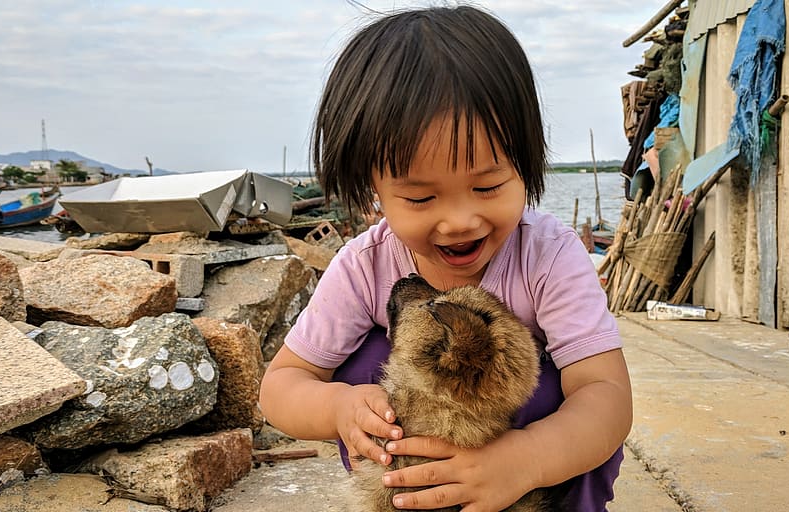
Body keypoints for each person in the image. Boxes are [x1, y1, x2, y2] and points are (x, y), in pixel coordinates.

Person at [259, 6, 632, 511]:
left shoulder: (548, 255)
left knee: (555, 391)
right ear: (375, 192)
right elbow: (281, 386)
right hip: (417, 475)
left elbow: (606, 395)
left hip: (536, 483)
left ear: (525, 164)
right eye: (419, 198)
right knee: (366, 361)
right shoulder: (364, 265)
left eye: (488, 185)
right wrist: (338, 407)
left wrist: (527, 458)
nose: (459, 221)